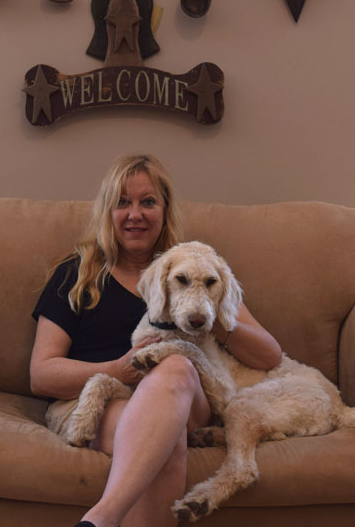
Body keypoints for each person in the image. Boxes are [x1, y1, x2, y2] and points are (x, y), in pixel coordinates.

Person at [29, 154, 282, 527]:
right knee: (167, 440)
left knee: (177, 363)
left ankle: (101, 518)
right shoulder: (77, 273)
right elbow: (42, 374)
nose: (135, 214)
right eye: (123, 203)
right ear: (107, 212)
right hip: (94, 401)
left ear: (164, 210)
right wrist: (118, 370)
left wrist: (207, 317)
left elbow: (269, 354)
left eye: (148, 202)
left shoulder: (192, 269)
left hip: (186, 397)